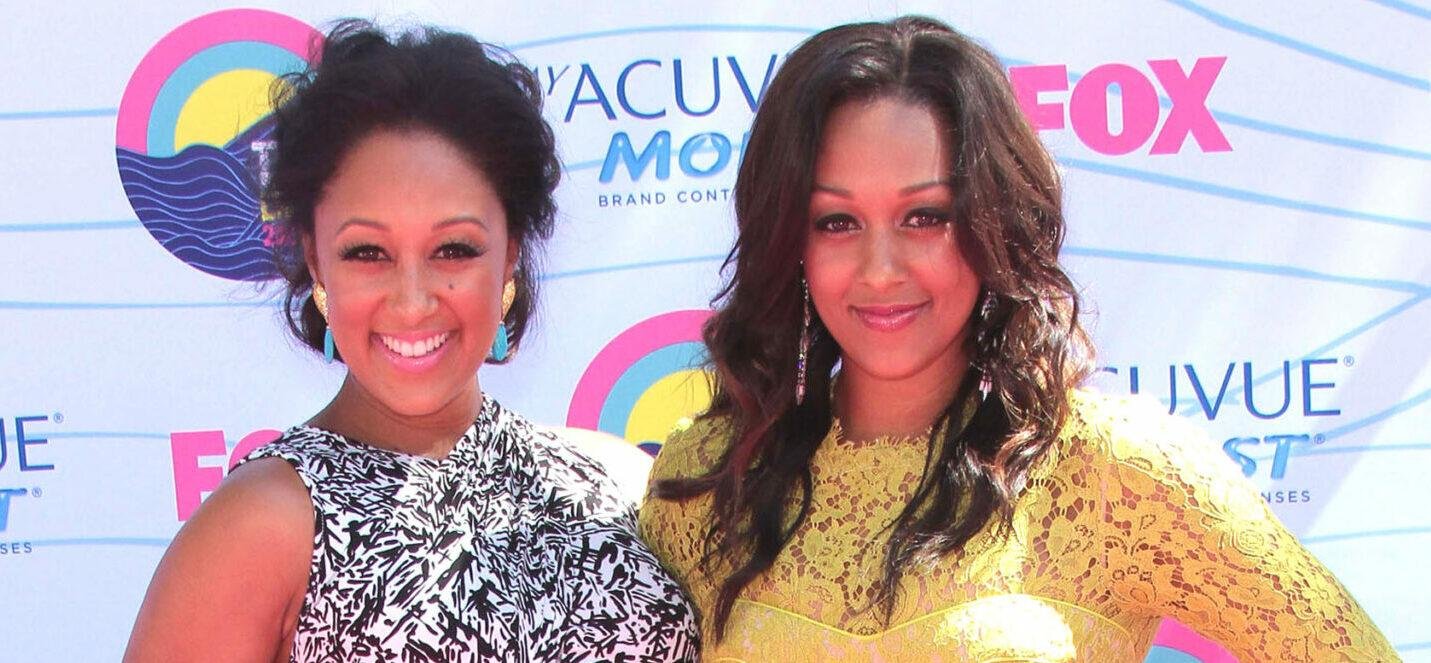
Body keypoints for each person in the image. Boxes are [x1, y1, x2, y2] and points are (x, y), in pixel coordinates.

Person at [638, 16, 1396, 662]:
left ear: (992, 219)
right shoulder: (709, 478)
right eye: (837, 221)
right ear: (789, 240)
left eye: (925, 216)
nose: (880, 268)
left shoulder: (1113, 469)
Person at [125, 21, 698, 662]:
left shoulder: (621, 482)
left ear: (510, 254)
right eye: (367, 252)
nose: (413, 300)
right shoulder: (263, 526)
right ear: (316, 261)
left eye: (453, 248)